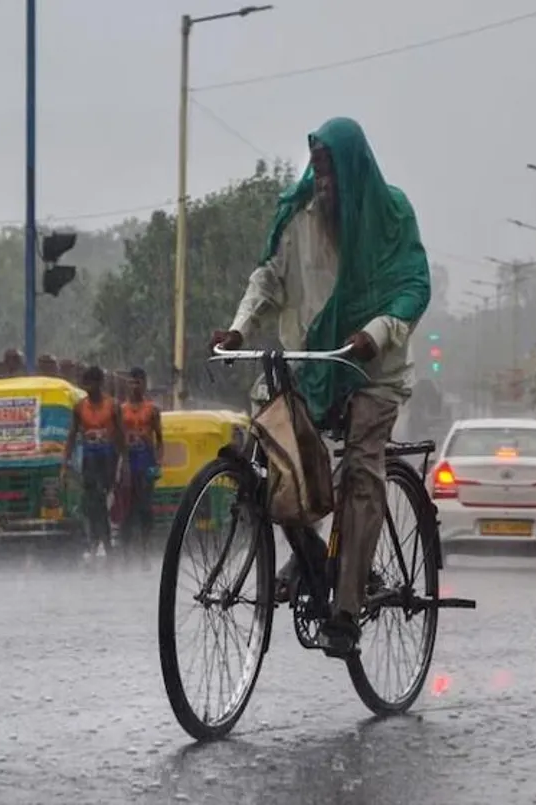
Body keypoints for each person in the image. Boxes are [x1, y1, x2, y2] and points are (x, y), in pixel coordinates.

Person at [210, 117, 431, 658]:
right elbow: (268, 278)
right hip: (313, 364)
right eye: (319, 169)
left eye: (332, 171)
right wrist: (240, 326)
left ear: (354, 170)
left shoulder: (390, 215)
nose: (324, 182)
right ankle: (311, 556)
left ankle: (348, 609)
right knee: (275, 463)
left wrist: (374, 334)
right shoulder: (297, 215)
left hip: (374, 370)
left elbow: (412, 286)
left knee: (360, 468)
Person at [64, 366, 124, 559]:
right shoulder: (80, 407)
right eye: (85, 384)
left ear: (99, 383)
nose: (88, 387)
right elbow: (72, 436)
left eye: (91, 383)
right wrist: (65, 462)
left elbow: (121, 436)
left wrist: (126, 462)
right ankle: (101, 542)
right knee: (92, 503)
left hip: (108, 459)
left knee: (99, 499)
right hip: (89, 460)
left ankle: (100, 542)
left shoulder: (113, 406)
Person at [119, 368, 164, 559]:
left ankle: (145, 547)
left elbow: (160, 440)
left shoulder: (152, 410)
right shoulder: (121, 410)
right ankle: (127, 549)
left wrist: (159, 464)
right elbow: (118, 439)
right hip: (128, 462)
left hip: (146, 461)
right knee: (127, 507)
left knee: (145, 506)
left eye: (138, 382)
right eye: (131, 382)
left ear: (144, 384)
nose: (134, 386)